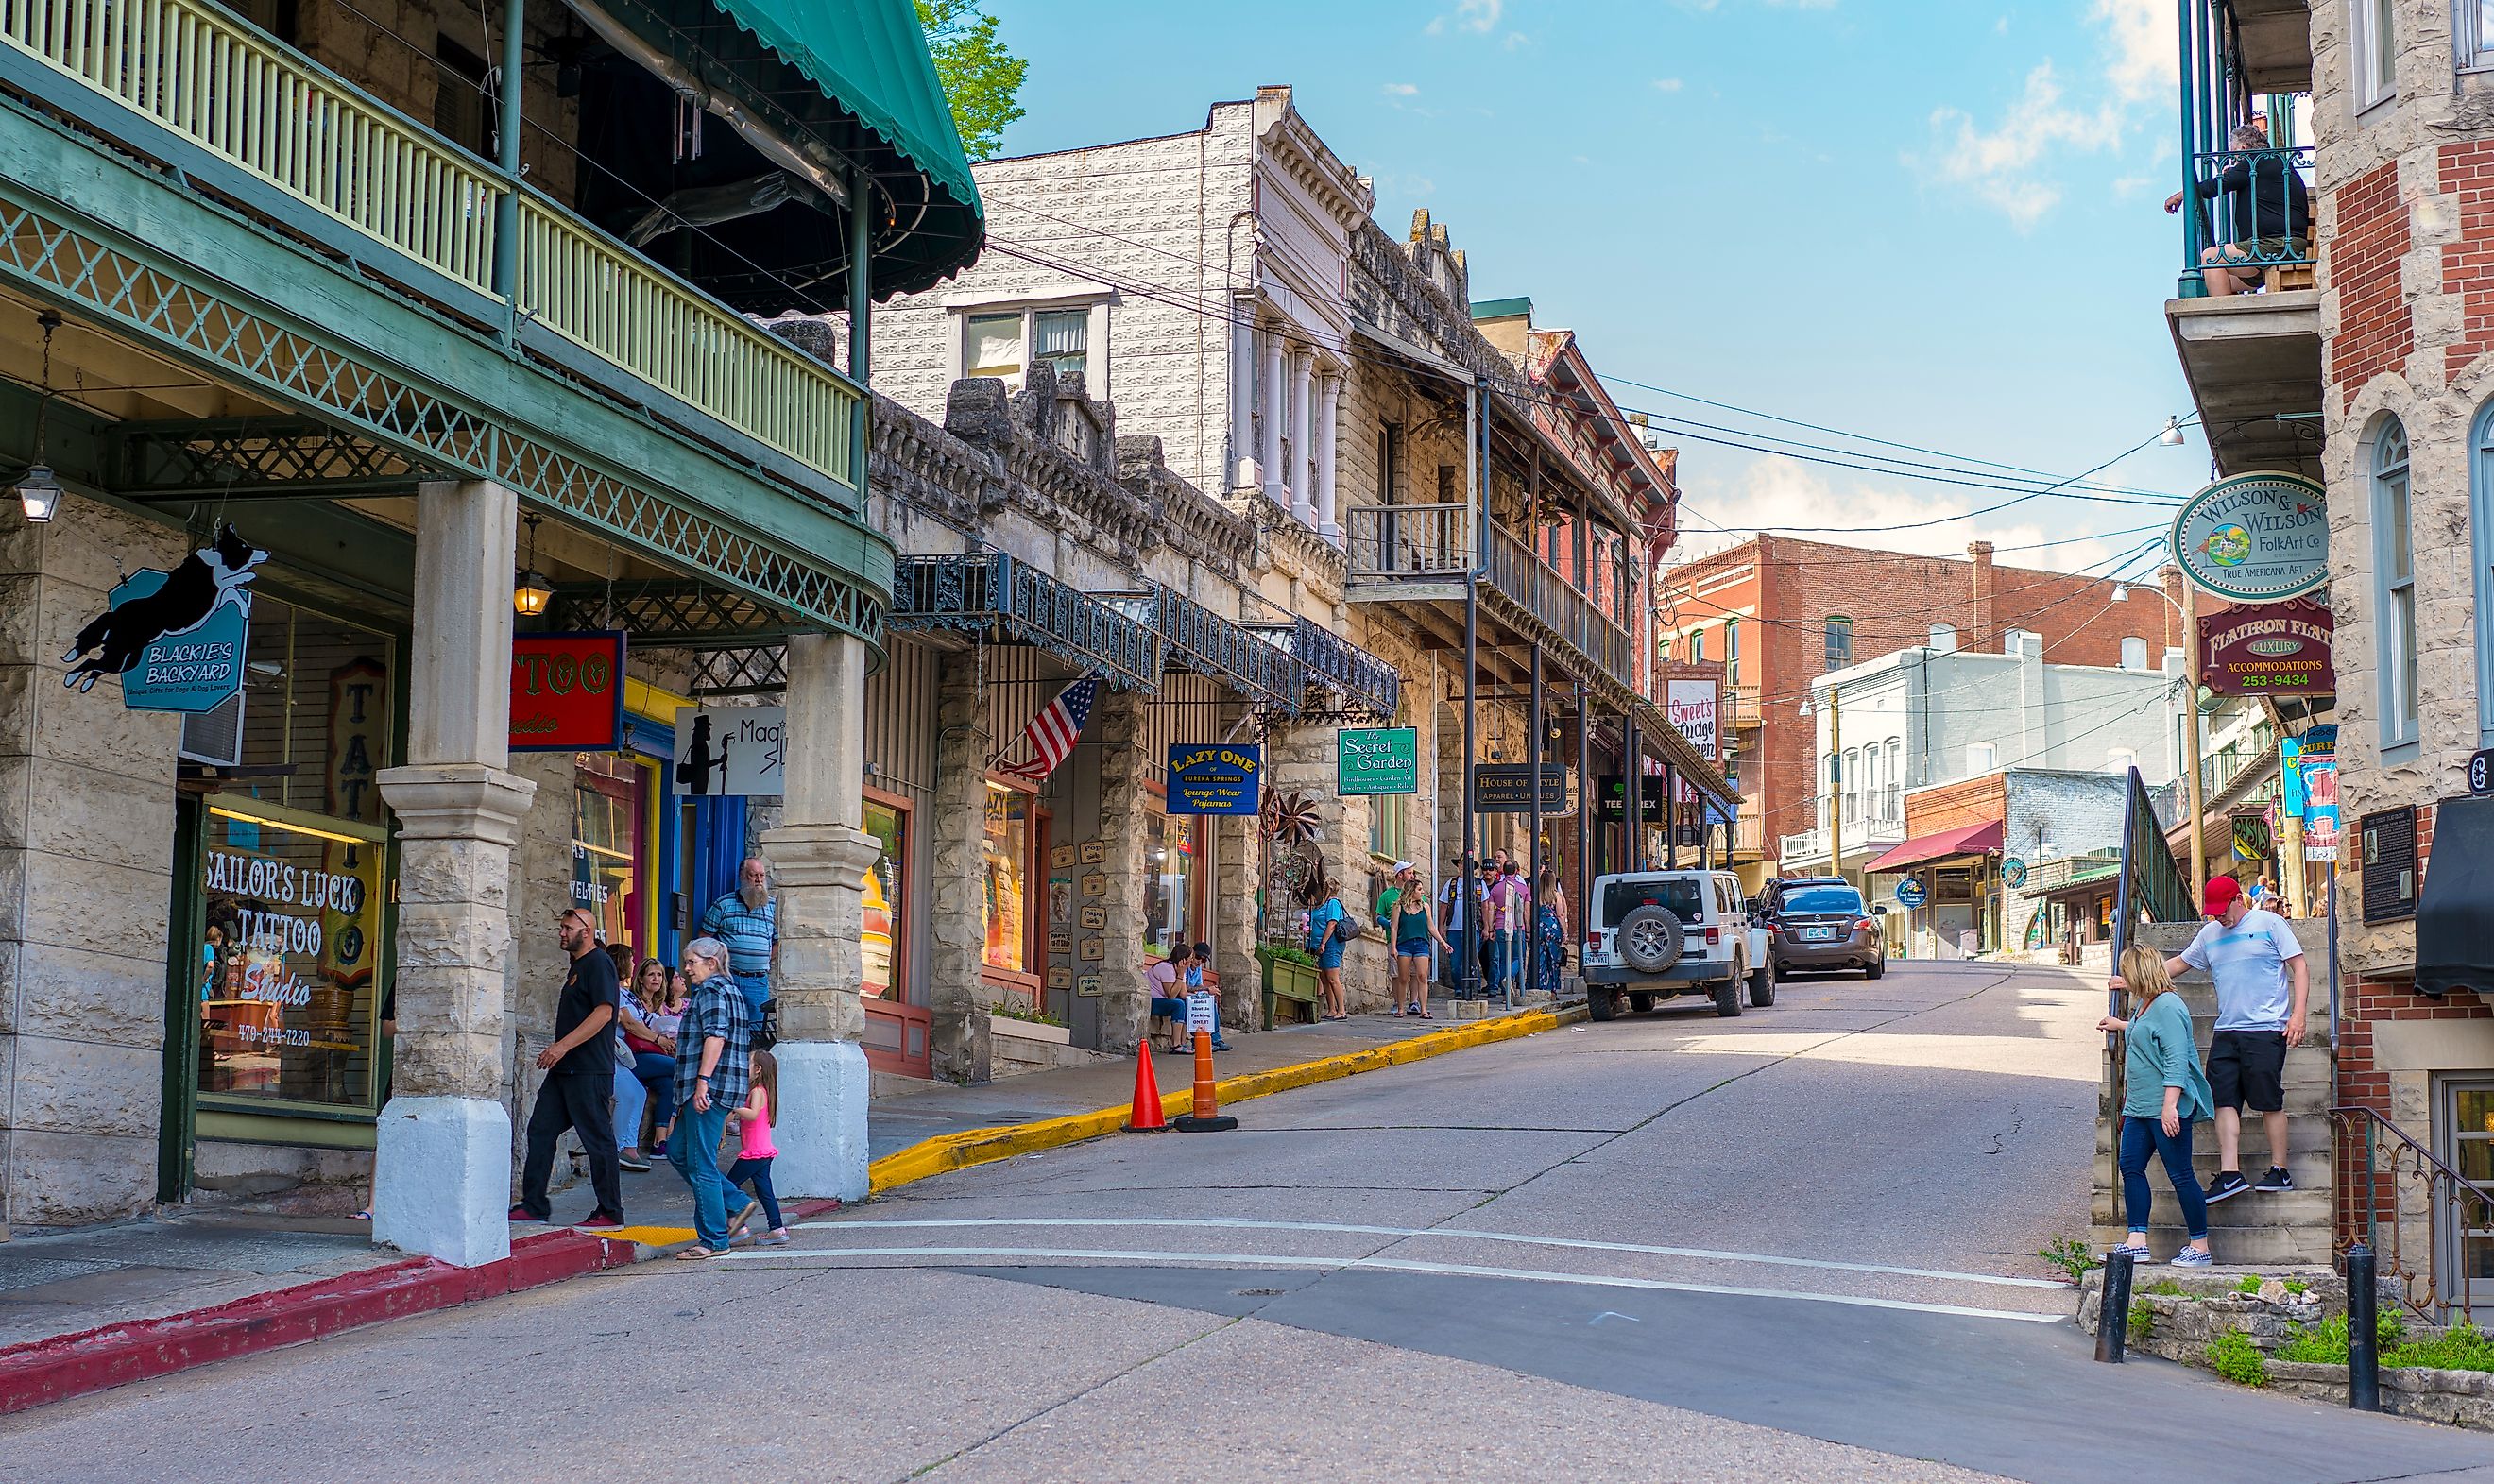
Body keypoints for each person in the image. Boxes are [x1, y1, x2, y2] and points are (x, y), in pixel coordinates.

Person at [2112, 873, 2307, 1205]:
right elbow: (2178, 964)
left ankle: (2280, 1169)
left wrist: (2298, 1014)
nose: (2218, 916)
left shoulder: (2270, 923)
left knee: (2267, 1100)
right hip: (2227, 1029)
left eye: (2222, 909)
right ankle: (2230, 1173)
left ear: (2237, 900)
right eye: (2213, 911)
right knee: (2223, 1100)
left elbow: (2299, 967)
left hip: (2266, 1027)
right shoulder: (2210, 934)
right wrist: (2132, 980)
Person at [2097, 945, 2215, 1266]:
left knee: (2180, 1174)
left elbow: (2176, 1061)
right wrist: (2119, 1025)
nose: (2125, 979)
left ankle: (2200, 1246)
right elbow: (2143, 1031)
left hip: (2166, 1107)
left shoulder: (2169, 1007)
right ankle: (2137, 1240)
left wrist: (2170, 1106)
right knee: (2130, 1166)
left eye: (2128, 974)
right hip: (2138, 1107)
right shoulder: (2144, 1004)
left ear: (2141, 974)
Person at [511, 908, 625, 1229]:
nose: (561, 932)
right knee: (540, 1130)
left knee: (597, 1139)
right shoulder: (578, 967)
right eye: (561, 927)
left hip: (589, 1070)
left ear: (586, 931)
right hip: (565, 1072)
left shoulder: (599, 964)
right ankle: (534, 1205)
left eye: (567, 927)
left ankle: (610, 1212)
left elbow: (604, 1013)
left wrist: (561, 1047)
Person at [669, 935, 753, 1259]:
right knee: (678, 1152)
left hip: (708, 1087)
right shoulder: (727, 991)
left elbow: (715, 1037)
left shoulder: (714, 991)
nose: (686, 969)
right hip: (707, 1087)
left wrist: (703, 1081)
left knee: (701, 1163)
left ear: (712, 963)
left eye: (692, 962)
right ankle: (735, 1202)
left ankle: (714, 1239)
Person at [2164, 122, 2311, 298]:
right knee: (2216, 279)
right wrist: (2234, 173)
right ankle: (2226, 316)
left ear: (2243, 148)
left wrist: (2182, 195)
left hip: (2277, 246)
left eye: (2233, 153)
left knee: (2211, 259)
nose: (2232, 159)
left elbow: (2217, 186)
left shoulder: (2256, 160)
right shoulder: (2272, 162)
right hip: (2271, 249)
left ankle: (2223, 322)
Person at [724, 1047, 789, 1247]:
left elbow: (752, 1114)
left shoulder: (757, 1092)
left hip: (754, 1153)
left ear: (758, 1069)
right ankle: (777, 1228)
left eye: (748, 1064)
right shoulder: (759, 1091)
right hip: (761, 1151)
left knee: (727, 1186)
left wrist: (734, 1106)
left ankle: (737, 1224)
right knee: (764, 1191)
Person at [700, 856, 777, 1020]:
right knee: (725, 1026)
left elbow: (778, 942)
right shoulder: (723, 904)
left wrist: (760, 961)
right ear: (742, 876)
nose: (758, 880)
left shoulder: (772, 907)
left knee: (757, 1031)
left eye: (762, 875)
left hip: (757, 982)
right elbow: (704, 939)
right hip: (729, 978)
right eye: (753, 875)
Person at [624, 958, 680, 1157]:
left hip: (653, 1057)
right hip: (634, 1057)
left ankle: (660, 1142)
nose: (656, 978)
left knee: (669, 1085)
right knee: (682, 1068)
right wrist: (659, 1039)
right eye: (651, 974)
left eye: (659, 974)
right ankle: (678, 1131)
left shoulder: (657, 1005)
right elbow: (631, 1026)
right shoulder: (629, 999)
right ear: (640, 979)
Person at [1390, 863, 1449, 1018]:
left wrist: (1442, 942)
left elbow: (1431, 926)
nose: (1422, 893)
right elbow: (1394, 927)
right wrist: (1394, 947)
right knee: (1403, 978)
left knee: (1422, 976)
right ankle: (1401, 1008)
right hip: (1405, 944)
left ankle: (1423, 1009)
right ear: (1412, 891)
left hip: (1421, 944)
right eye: (1419, 890)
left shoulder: (1425, 906)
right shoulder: (1399, 907)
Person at [1302, 875, 1350, 1020]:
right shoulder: (1322, 905)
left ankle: (1341, 1010)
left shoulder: (1333, 904)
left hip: (1331, 945)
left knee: (1332, 978)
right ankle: (1331, 1009)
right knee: (1324, 978)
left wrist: (1323, 943)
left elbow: (1332, 924)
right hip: (1319, 945)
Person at [1438, 855, 1487, 993]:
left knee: (1472, 959)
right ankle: (1460, 988)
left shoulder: (1479, 884)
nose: (1463, 867)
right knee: (1455, 962)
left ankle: (1474, 988)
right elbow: (1444, 906)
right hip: (1454, 928)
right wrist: (1441, 926)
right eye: (1461, 864)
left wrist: (1487, 927)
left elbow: (1485, 906)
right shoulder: (1451, 884)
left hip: (1474, 928)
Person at [1146, 943, 1197, 1054]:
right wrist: (1180, 975)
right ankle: (1175, 1044)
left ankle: (1182, 1042)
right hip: (1152, 1001)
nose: (1191, 962)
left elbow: (1183, 994)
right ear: (1182, 959)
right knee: (1178, 1004)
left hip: (1163, 1001)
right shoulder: (1166, 967)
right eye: (1190, 959)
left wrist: (1200, 997)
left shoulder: (1181, 970)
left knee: (1186, 1002)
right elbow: (1171, 994)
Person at [1186, 941, 1231, 1052]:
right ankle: (1200, 1038)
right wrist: (1206, 989)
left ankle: (1215, 1039)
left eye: (1204, 960)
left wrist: (1208, 992)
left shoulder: (1198, 968)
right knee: (1199, 1005)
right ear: (1192, 954)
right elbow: (1186, 987)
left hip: (1192, 996)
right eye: (1197, 957)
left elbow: (1198, 985)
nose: (1199, 961)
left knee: (1210, 1002)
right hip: (1183, 995)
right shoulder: (1185, 965)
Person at [1535, 867, 1569, 1000]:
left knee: (1541, 958)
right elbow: (1560, 915)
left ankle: (1541, 986)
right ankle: (1553, 989)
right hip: (1553, 928)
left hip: (1540, 927)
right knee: (1554, 960)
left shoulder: (1538, 895)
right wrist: (1565, 932)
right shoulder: (1556, 896)